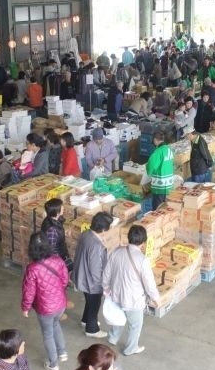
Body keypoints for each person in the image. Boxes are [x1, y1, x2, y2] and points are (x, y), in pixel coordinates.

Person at [103, 225, 159, 355]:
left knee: (118, 317)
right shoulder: (143, 260)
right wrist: (156, 299)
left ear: (129, 238)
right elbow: (149, 284)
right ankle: (130, 348)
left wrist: (105, 288)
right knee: (135, 325)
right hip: (133, 300)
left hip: (116, 294)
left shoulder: (116, 252)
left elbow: (106, 273)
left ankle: (112, 338)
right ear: (143, 242)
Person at [21, 232, 69, 370]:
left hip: (45, 308)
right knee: (56, 325)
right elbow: (65, 280)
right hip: (60, 304)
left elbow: (29, 292)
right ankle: (62, 352)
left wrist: (25, 308)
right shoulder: (58, 260)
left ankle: (53, 364)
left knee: (48, 334)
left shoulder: (32, 268)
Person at [73, 212, 113, 338]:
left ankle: (86, 320)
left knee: (89, 301)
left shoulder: (86, 234)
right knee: (94, 303)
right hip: (91, 282)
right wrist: (103, 285)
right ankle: (92, 329)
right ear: (103, 229)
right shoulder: (96, 246)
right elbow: (96, 270)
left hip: (81, 275)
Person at [146, 131, 174, 210]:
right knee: (166, 207)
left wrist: (148, 172)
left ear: (155, 140)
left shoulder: (158, 152)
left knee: (157, 208)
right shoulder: (168, 149)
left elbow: (151, 166)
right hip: (168, 183)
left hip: (160, 185)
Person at [41, 198, 70, 262]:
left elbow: (57, 235)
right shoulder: (51, 230)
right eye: (62, 207)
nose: (63, 208)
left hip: (61, 255)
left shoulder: (54, 220)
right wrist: (58, 262)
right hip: (58, 259)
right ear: (57, 212)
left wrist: (64, 233)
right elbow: (51, 250)